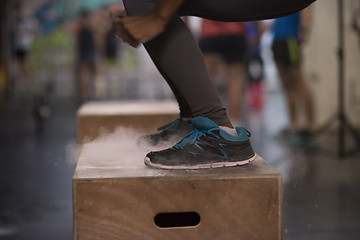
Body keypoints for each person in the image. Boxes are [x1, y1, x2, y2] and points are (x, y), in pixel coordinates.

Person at [109, 0, 316, 169]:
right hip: (231, 34)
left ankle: (219, 132)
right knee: (146, 3)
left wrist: (157, 16)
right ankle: (197, 120)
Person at [271, 9, 315, 138]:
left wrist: (304, 31)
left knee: (298, 82)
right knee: (286, 85)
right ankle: (293, 123)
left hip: (290, 40)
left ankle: (311, 125)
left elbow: (306, 11)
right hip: (277, 40)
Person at [198, 19, 247, 125]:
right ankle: (235, 126)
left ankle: (209, 125)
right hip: (235, 31)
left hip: (209, 32)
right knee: (235, 80)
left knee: (208, 81)